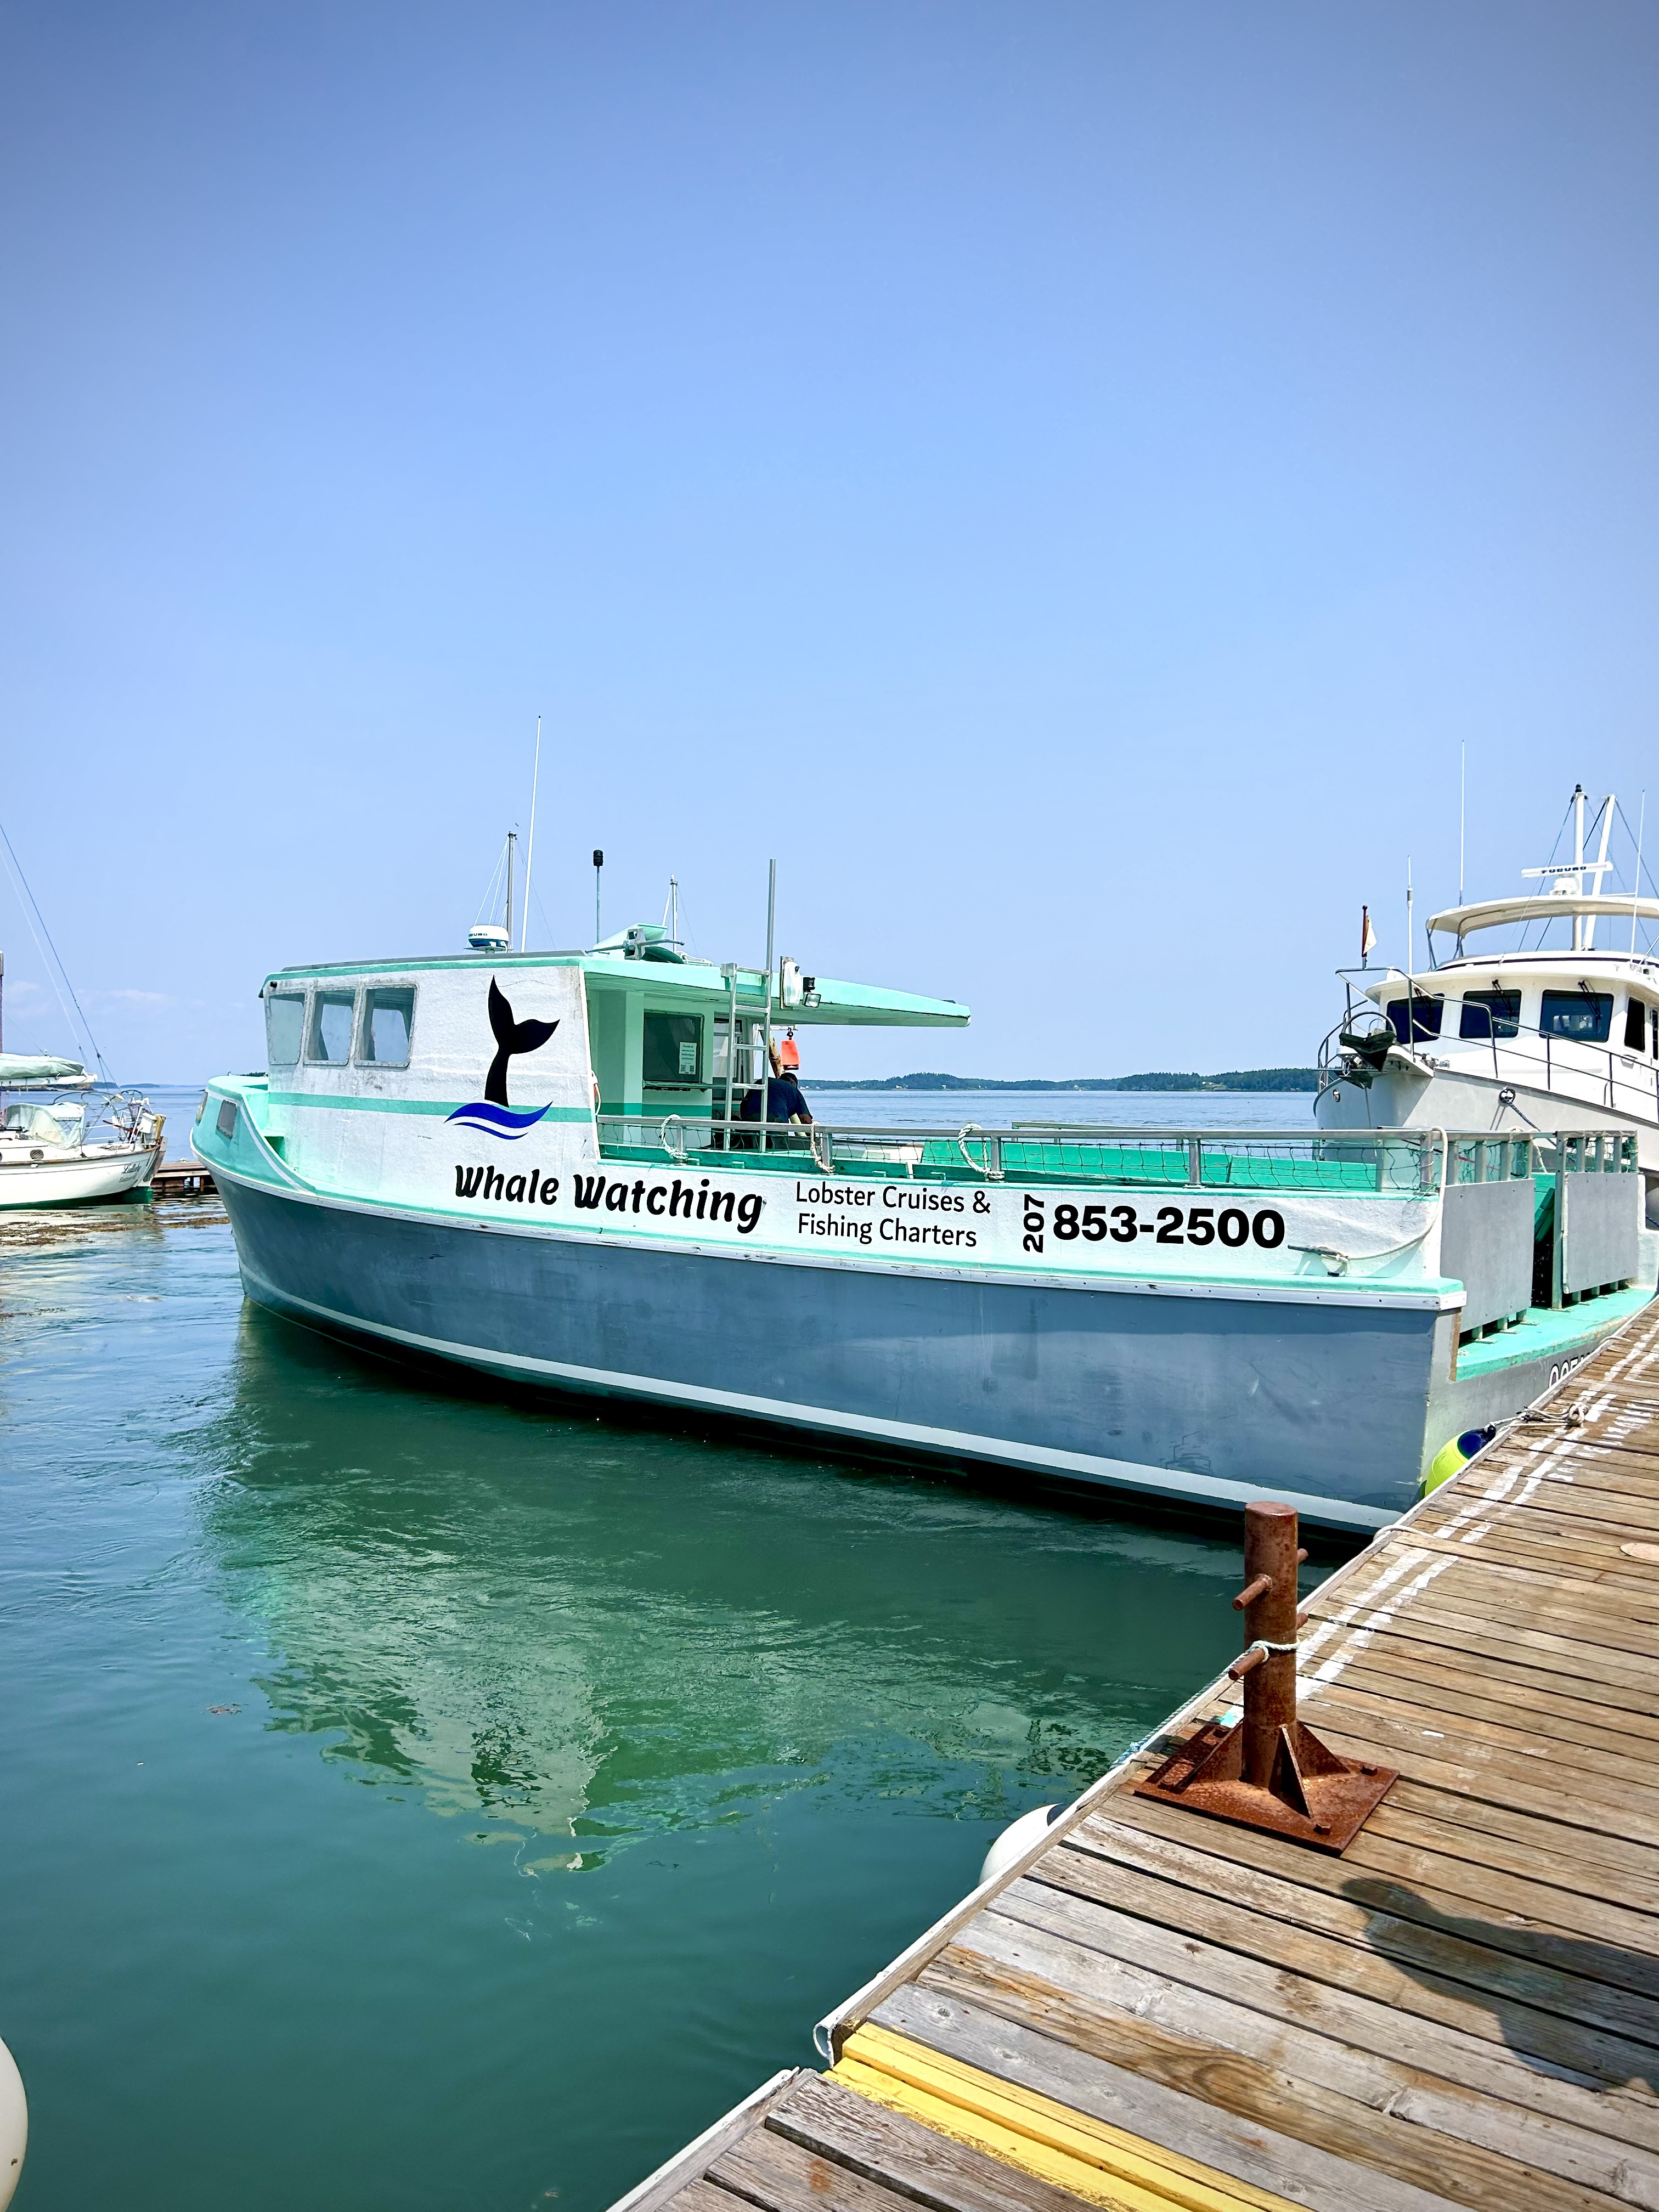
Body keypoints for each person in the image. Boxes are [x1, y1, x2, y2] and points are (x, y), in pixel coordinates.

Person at [737, 1041, 813, 1136]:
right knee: (777, 1147)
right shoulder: (794, 1091)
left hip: (751, 1118)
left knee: (750, 1146)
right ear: (793, 1083)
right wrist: (813, 1139)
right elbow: (805, 1120)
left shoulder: (762, 1081)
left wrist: (745, 1120)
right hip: (776, 1121)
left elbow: (743, 1104)